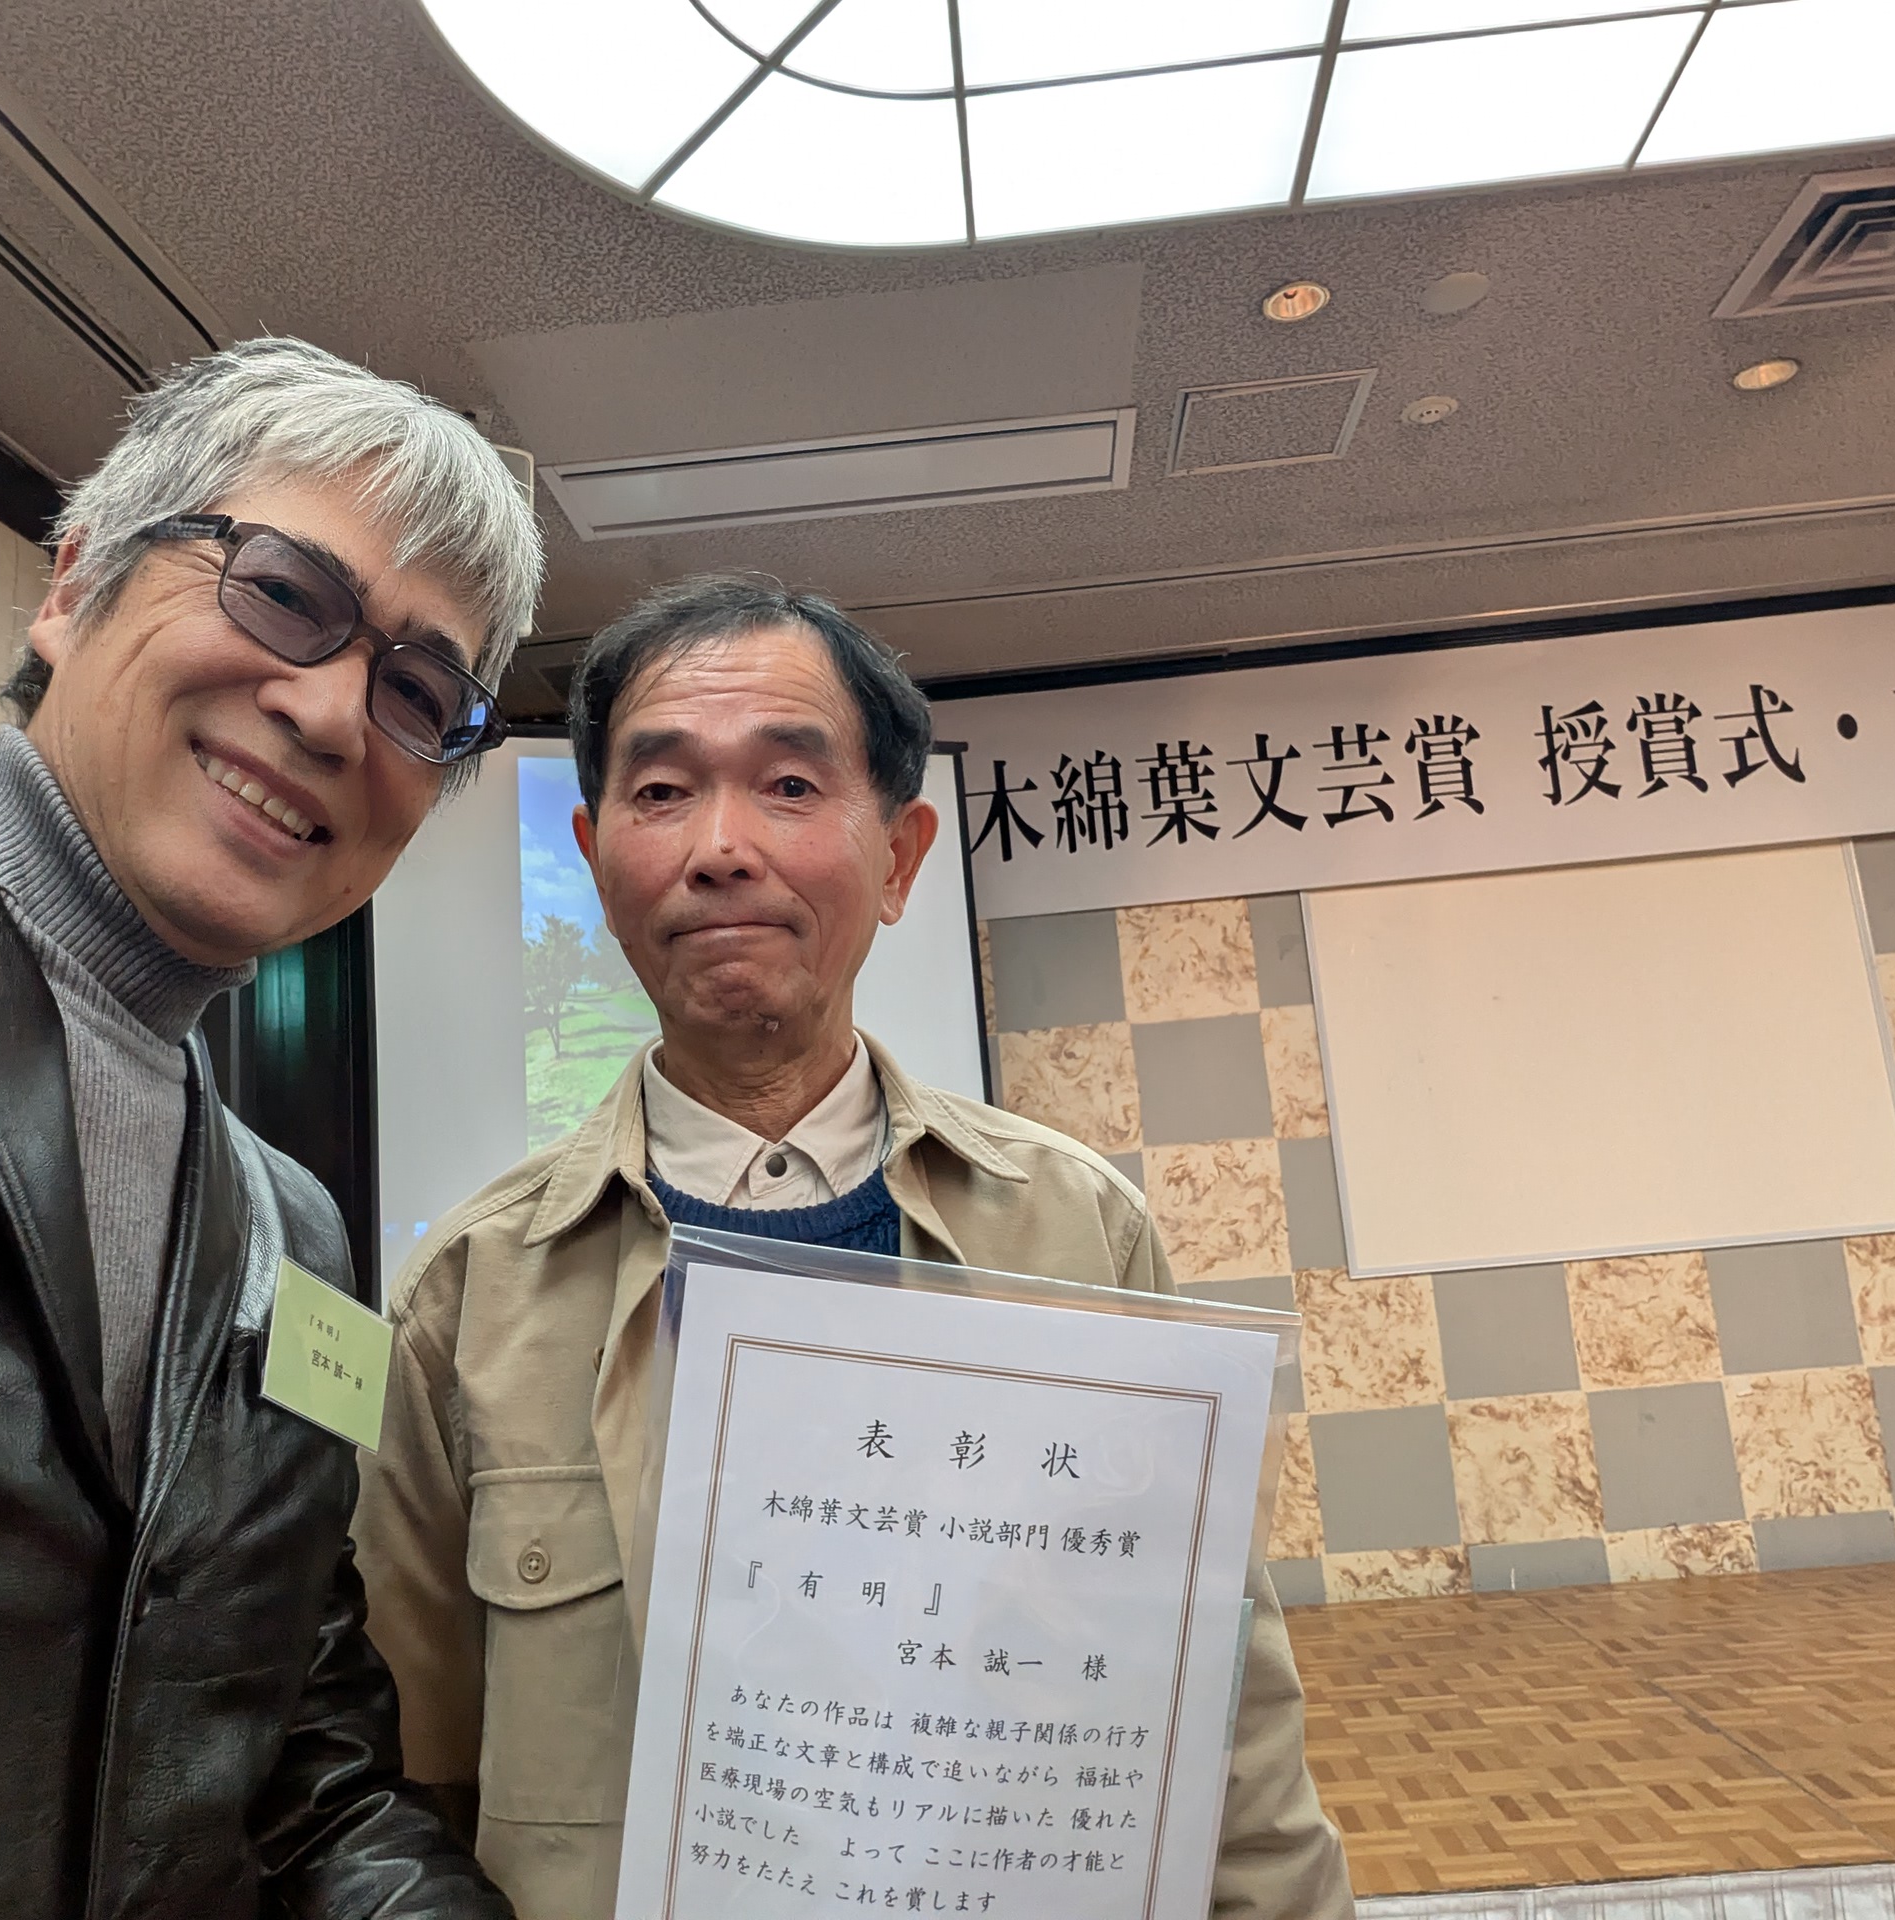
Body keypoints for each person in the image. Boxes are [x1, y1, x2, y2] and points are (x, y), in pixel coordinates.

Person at [353, 573, 1356, 1919]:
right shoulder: (464, 1301)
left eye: (788, 785)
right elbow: (409, 1775)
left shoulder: (1076, 1233)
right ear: (593, 855)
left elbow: (1216, 1714)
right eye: (662, 791)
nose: (721, 846)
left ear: (898, 857)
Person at [0, 337, 542, 1915]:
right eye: (285, 594)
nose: (331, 711)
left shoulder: (295, 1235)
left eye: (418, 693)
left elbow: (298, 1770)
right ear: (76, 581)